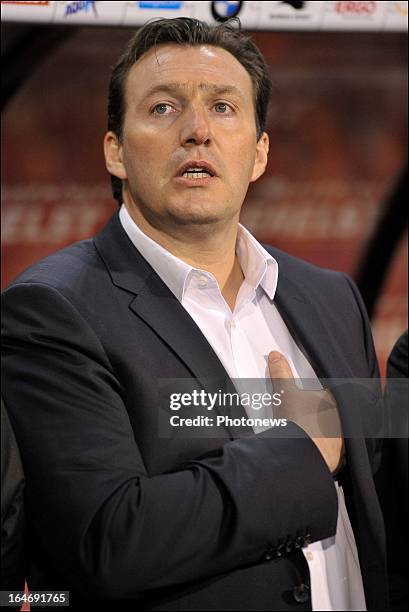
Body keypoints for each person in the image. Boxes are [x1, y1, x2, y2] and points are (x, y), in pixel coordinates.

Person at [1, 17, 387, 611]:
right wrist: (299, 457)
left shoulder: (332, 297)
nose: (197, 131)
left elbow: (378, 502)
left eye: (224, 107)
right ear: (116, 151)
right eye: (162, 108)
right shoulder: (52, 309)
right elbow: (110, 540)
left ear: (259, 152)